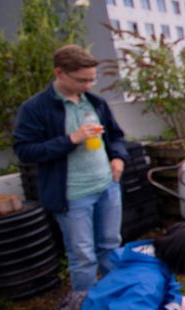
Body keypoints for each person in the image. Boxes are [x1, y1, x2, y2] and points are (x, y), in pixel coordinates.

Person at [13, 44, 128, 291]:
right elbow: (25, 150)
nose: (88, 86)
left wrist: (118, 158)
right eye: (81, 80)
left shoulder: (95, 103)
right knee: (83, 258)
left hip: (107, 186)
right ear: (60, 73)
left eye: (91, 80)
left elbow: (117, 136)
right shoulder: (35, 108)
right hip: (73, 195)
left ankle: (114, 297)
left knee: (110, 246)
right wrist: (70, 140)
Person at [53, 223, 185, 310]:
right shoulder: (147, 283)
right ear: (184, 257)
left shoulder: (153, 259)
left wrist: (173, 308)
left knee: (184, 303)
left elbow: (171, 287)